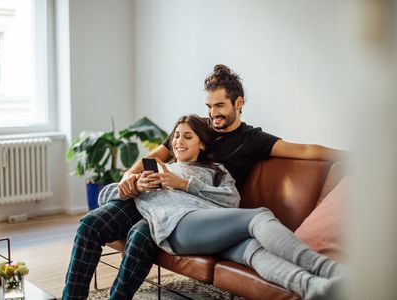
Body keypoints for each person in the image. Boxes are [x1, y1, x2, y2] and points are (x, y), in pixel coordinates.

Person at [62, 65, 350, 299]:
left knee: (248, 248)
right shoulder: (196, 128)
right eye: (209, 106)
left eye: (220, 106)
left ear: (239, 103)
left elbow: (306, 151)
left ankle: (316, 286)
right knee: (91, 225)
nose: (213, 114)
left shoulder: (251, 140)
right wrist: (130, 176)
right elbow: (158, 154)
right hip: (156, 199)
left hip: (198, 211)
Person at [127, 114, 346, 300]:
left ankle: (313, 288)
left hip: (213, 228)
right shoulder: (161, 169)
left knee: (253, 250)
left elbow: (231, 200)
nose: (178, 141)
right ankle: (328, 269)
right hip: (178, 226)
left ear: (201, 143)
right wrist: (135, 183)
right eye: (175, 136)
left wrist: (185, 185)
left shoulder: (217, 170)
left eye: (187, 136)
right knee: (258, 216)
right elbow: (113, 192)